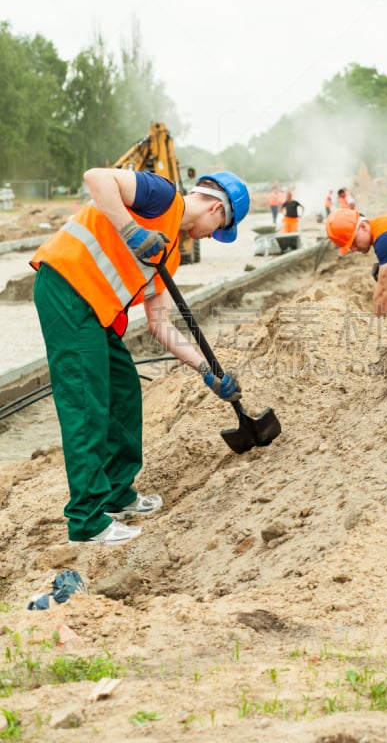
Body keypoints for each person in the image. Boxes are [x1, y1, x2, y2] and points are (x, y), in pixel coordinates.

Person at [30, 167, 250, 546]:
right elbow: (96, 176)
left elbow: (159, 324)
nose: (212, 236)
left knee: (124, 389)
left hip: (93, 309)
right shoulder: (161, 197)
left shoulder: (169, 255)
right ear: (216, 209)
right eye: (219, 229)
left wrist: (205, 370)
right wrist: (131, 230)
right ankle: (86, 520)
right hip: (67, 286)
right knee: (87, 400)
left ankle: (117, 493)